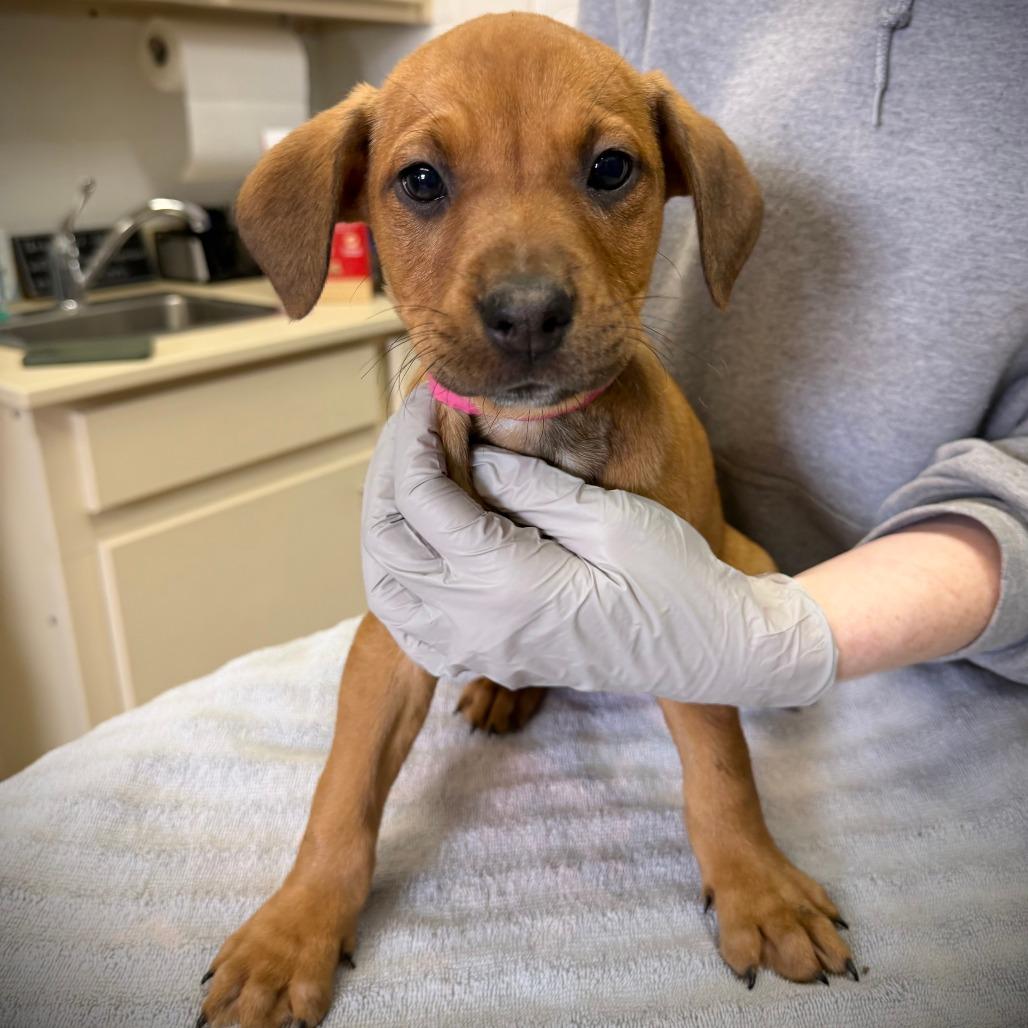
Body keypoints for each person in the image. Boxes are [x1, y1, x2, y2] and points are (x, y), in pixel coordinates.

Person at [361, 0, 1028, 704]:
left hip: (945, 660)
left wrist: (782, 632)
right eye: (424, 182)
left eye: (609, 170)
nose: (526, 303)